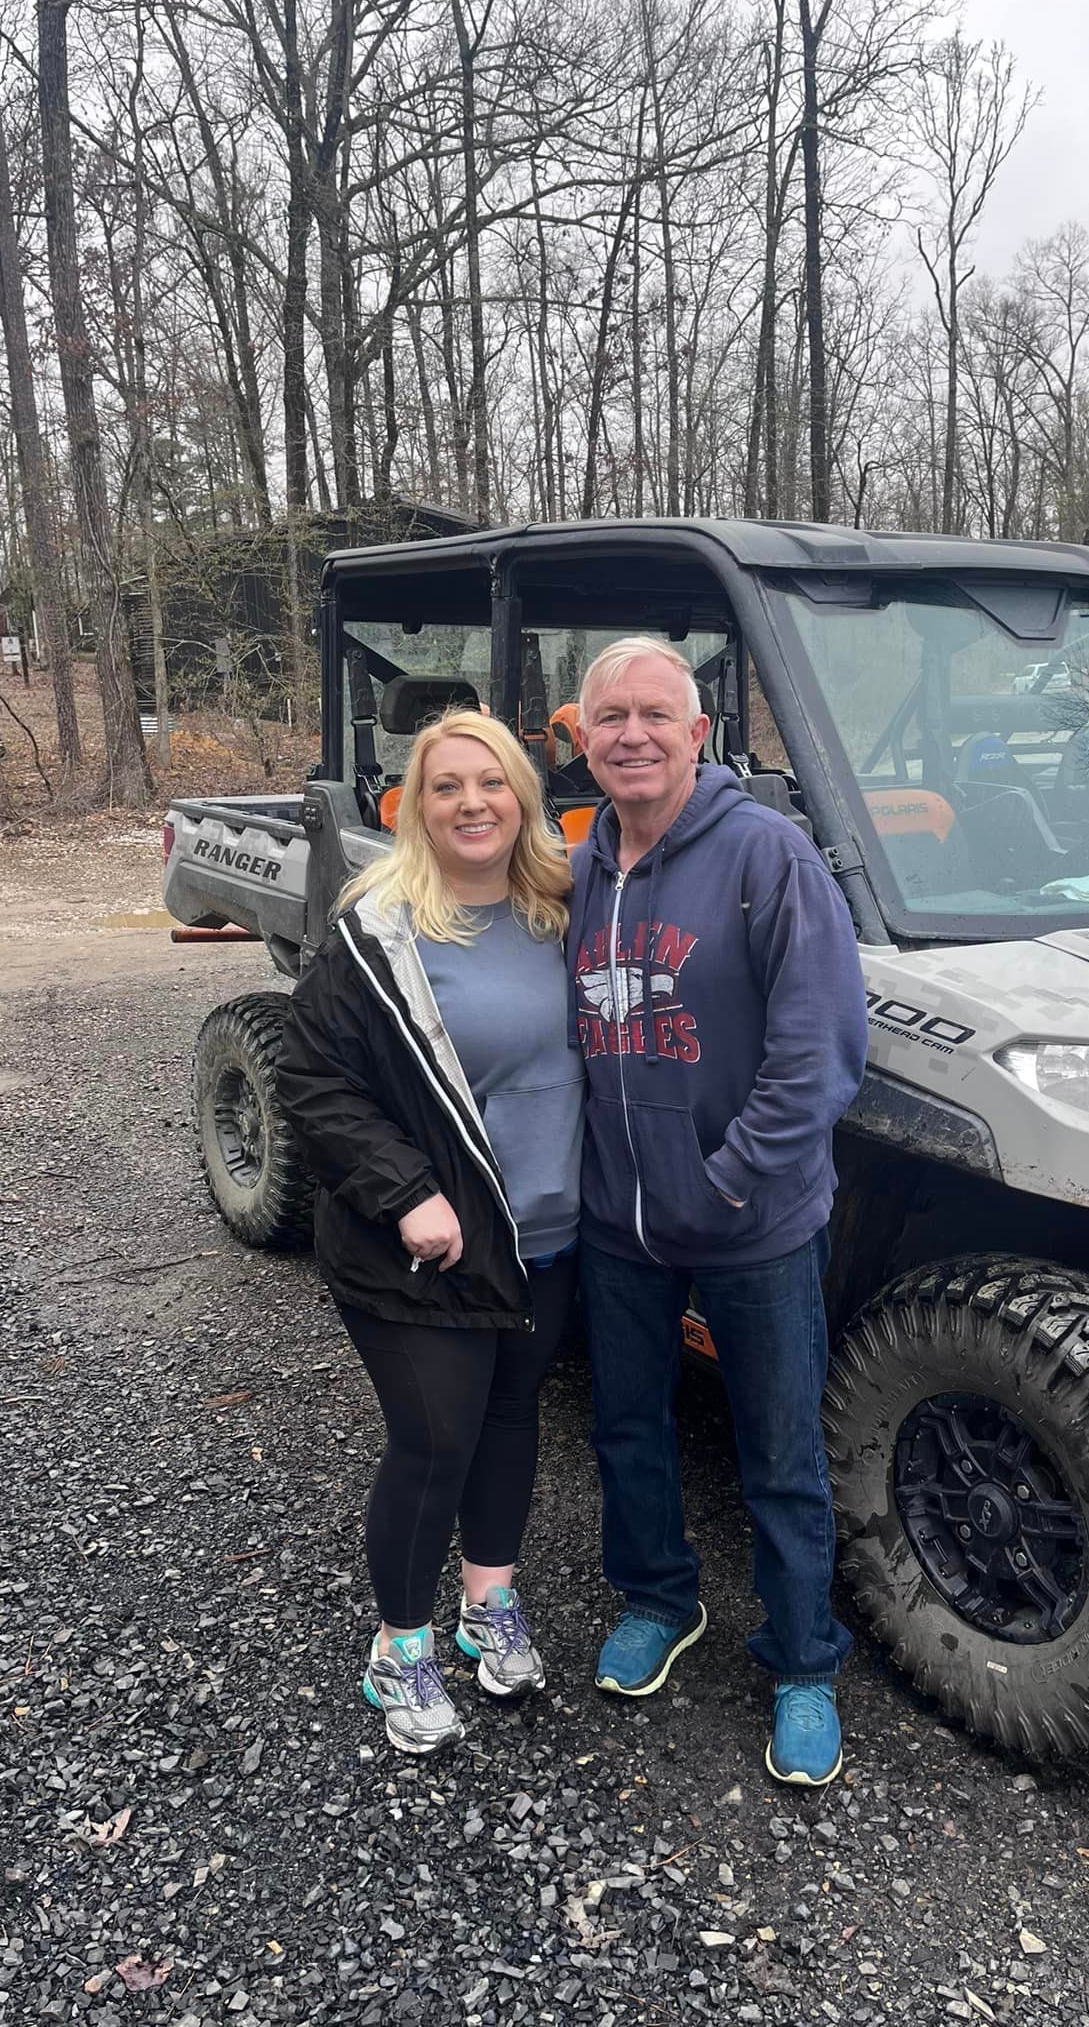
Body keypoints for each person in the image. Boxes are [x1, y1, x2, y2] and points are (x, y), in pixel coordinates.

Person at [567, 637, 867, 1787]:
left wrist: (730, 1178)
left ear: (700, 733)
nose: (632, 733)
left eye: (655, 713)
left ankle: (801, 1661)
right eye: (610, 717)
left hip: (753, 1222)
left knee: (780, 1450)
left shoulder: (767, 856)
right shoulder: (583, 867)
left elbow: (821, 1051)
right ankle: (658, 1597)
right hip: (619, 1224)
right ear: (582, 738)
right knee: (627, 1429)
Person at [276, 709, 585, 1757]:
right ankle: (399, 1647)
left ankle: (488, 1601)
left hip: (547, 1229)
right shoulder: (379, 929)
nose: (472, 803)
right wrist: (406, 1188)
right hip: (425, 1243)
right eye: (447, 785)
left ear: (523, 798)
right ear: (415, 804)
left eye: (491, 782)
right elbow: (312, 1079)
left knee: (509, 1420)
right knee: (435, 1438)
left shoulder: (562, 908)